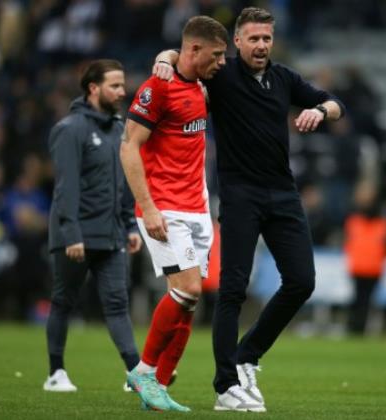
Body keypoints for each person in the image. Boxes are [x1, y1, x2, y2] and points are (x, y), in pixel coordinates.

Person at [154, 7, 346, 412]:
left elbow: (335, 103)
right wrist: (164, 58)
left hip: (283, 193)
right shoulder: (220, 75)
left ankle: (247, 356)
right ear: (236, 42)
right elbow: (184, 56)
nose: (261, 46)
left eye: (267, 39)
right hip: (241, 194)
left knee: (302, 281)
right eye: (253, 39)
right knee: (233, 290)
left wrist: (319, 110)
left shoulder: (284, 78)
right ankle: (226, 386)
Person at [120, 16, 228, 411]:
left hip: (198, 209)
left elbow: (178, 56)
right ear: (194, 50)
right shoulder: (157, 88)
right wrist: (147, 208)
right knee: (187, 290)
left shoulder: (203, 84)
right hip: (164, 207)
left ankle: (159, 387)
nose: (221, 63)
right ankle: (144, 371)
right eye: (216, 55)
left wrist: (166, 54)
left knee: (187, 301)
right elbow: (129, 147)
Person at [43, 59, 143, 393]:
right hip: (76, 236)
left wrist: (130, 224)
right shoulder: (70, 129)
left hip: (112, 233)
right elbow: (66, 187)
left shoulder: (119, 130)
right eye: (115, 85)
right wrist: (71, 233)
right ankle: (56, 372)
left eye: (122, 84)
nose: (122, 91)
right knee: (64, 302)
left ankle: (135, 373)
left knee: (117, 305)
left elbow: (124, 183)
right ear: (93, 88)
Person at [344, 181, 386, 334]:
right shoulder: (360, 218)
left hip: (368, 266)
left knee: (361, 300)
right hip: (364, 265)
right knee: (361, 300)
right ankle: (356, 327)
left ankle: (357, 327)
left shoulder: (358, 218)